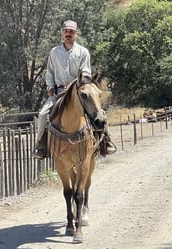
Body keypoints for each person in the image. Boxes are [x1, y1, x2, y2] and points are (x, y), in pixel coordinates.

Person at [33, 20, 116, 159]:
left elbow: (86, 73)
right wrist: (50, 87)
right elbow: (50, 72)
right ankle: (40, 145)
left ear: (76, 34)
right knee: (42, 114)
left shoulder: (83, 52)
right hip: (59, 92)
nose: (68, 34)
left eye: (71, 32)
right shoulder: (54, 52)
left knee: (98, 112)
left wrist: (73, 85)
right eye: (66, 31)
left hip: (78, 92)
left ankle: (106, 142)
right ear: (62, 33)